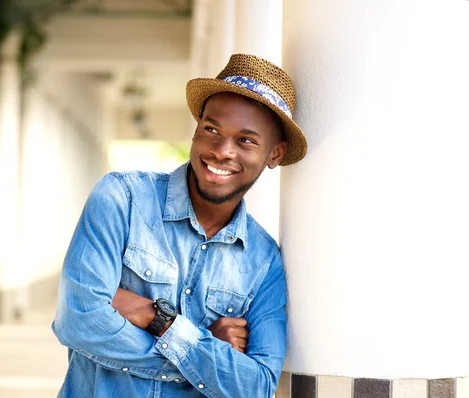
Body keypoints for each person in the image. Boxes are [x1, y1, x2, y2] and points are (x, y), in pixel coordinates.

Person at [52, 53, 307, 398]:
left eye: (246, 140)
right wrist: (206, 353)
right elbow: (80, 321)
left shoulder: (263, 261)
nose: (222, 151)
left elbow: (256, 387)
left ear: (274, 154)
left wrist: (161, 321)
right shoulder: (121, 199)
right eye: (211, 129)